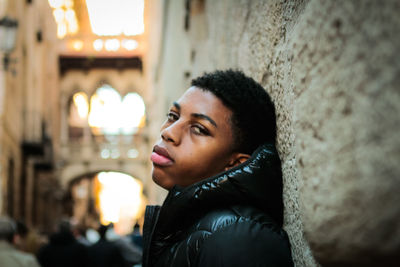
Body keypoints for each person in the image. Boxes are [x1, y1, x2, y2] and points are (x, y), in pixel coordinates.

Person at [143, 70, 294, 266]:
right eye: (173, 116)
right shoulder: (201, 229)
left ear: (235, 164)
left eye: (199, 129)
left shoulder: (238, 238)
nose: (168, 132)